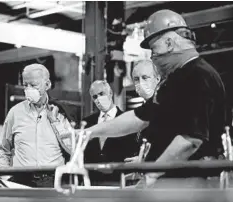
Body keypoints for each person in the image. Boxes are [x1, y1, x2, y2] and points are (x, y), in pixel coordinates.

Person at [85, 10, 226, 187]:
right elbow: (138, 118)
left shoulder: (197, 76)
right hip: (173, 181)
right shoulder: (177, 79)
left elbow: (190, 140)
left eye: (154, 49)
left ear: (169, 43)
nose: (153, 57)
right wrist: (89, 132)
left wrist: (151, 175)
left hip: (189, 183)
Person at [0, 63, 74, 187]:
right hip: (21, 181)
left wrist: (55, 122)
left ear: (47, 85)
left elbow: (72, 149)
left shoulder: (61, 112)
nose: (28, 89)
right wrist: (5, 178)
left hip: (53, 182)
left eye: (33, 85)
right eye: (25, 85)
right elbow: (3, 149)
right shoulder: (15, 113)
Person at [83, 80, 139, 185]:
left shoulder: (126, 120)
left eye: (101, 94)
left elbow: (131, 154)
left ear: (110, 93)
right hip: (92, 184)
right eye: (95, 97)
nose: (98, 99)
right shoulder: (87, 123)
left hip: (119, 182)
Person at [124, 59, 161, 163]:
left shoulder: (165, 107)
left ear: (157, 79)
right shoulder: (139, 109)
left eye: (145, 78)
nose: (140, 83)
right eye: (136, 79)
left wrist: (145, 160)